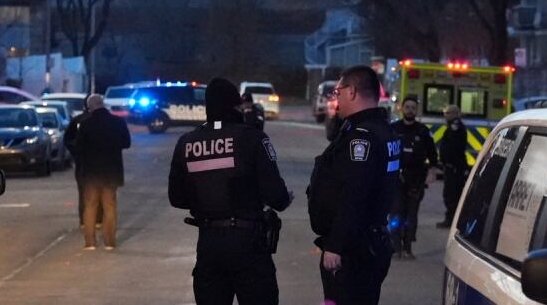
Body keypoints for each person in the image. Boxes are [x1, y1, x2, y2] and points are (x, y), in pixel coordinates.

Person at [169, 77, 292, 305]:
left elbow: (176, 198)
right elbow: (276, 196)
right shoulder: (252, 138)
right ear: (235, 106)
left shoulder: (186, 142)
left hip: (209, 243)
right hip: (249, 243)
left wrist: (207, 199)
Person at [308, 66, 401, 305]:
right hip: (369, 241)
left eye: (338, 91)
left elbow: (355, 193)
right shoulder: (384, 130)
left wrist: (336, 245)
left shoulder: (363, 137)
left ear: (352, 92)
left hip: (354, 250)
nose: (336, 97)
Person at [75, 94, 131, 250]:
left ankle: (90, 242)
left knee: (90, 206)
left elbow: (78, 148)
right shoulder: (117, 122)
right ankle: (110, 242)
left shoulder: (85, 124)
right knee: (110, 206)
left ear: (90, 107)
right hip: (111, 170)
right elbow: (126, 143)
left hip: (91, 172)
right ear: (103, 104)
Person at [389, 95, 437, 260]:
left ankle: (408, 247)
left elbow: (432, 155)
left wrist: (432, 171)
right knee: (395, 214)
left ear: (416, 111)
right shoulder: (393, 129)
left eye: (413, 108)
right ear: (402, 109)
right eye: (407, 107)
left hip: (416, 180)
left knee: (411, 215)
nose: (410, 110)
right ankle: (395, 247)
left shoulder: (423, 131)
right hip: (396, 180)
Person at [63, 98, 101, 228]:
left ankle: (85, 220)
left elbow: (68, 139)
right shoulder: (82, 120)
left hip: (83, 162)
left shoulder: (79, 120)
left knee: (84, 191)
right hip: (96, 161)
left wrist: (76, 152)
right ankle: (97, 219)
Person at [436, 105, 469, 229]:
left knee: (452, 195)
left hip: (455, 168)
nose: (446, 115)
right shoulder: (452, 127)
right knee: (451, 194)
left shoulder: (456, 128)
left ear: (456, 114)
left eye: (448, 113)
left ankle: (452, 220)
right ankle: (452, 219)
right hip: (452, 167)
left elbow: (455, 148)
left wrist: (450, 162)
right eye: (445, 113)